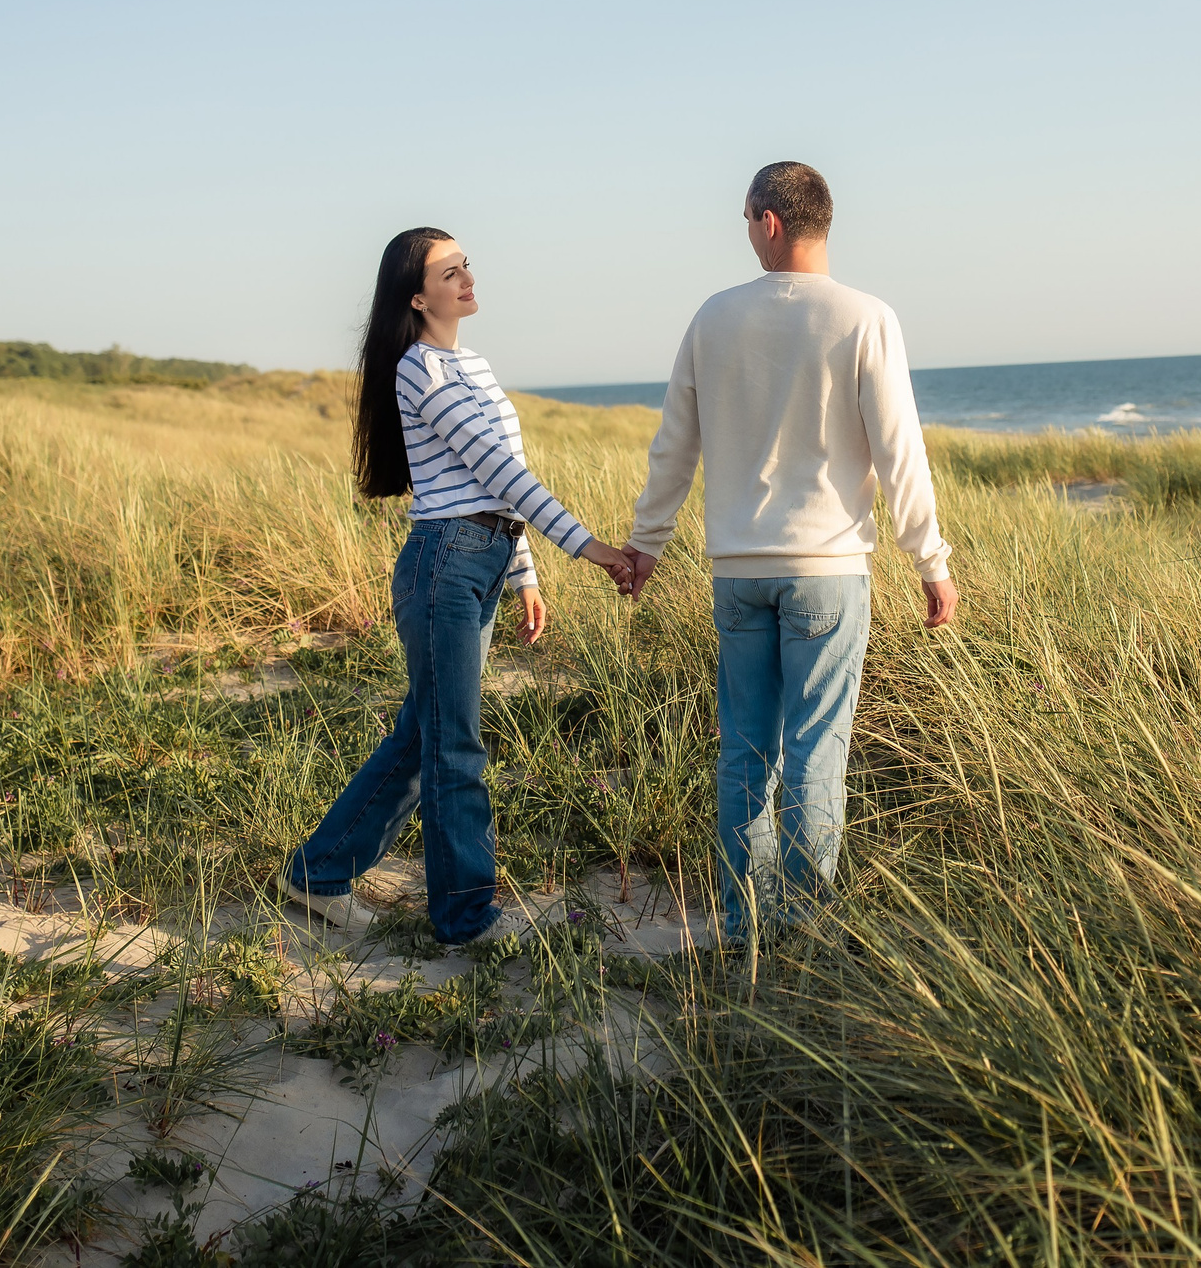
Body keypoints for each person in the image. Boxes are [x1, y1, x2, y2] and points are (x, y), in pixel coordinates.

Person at [622, 162, 957, 943]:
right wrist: (929, 559)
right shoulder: (866, 317)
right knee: (816, 753)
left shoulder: (713, 317)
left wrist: (646, 544)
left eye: (746, 218)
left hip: (738, 573)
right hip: (828, 572)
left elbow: (674, 447)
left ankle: (745, 925)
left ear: (771, 219)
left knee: (744, 753)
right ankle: (805, 932)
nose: (746, 233)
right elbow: (899, 450)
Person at [280, 227, 635, 943]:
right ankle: (466, 918)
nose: (467, 277)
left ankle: (316, 874)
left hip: (482, 556)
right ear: (417, 296)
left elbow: (503, 466)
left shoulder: (470, 363)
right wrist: (587, 546)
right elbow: (499, 472)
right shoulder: (421, 369)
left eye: (466, 264)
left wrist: (525, 573)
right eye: (450, 271)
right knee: (455, 745)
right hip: (444, 559)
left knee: (427, 732)